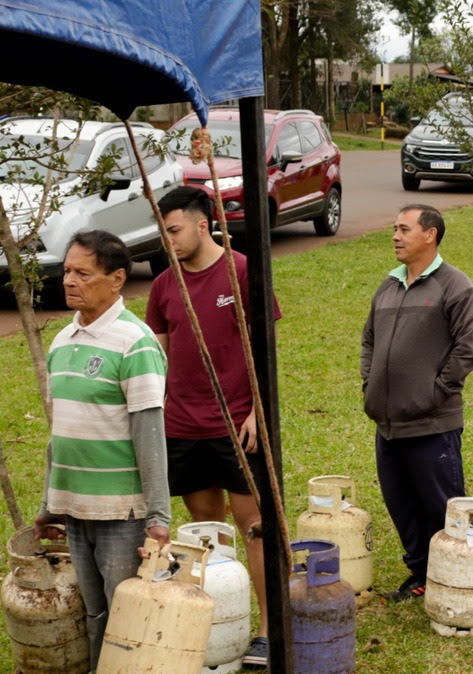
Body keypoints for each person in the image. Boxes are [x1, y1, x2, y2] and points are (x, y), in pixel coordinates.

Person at [145, 186, 279, 666]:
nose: (168, 241)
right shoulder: (164, 285)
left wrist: (257, 413)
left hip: (238, 427)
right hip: (183, 427)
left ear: (203, 225)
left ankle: (268, 630)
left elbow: (265, 349)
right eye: (163, 232)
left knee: (255, 528)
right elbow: (158, 358)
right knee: (209, 534)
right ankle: (221, 626)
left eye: (175, 230)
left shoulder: (242, 272)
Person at [35, 230, 169, 669]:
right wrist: (50, 503)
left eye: (82, 273)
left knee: (126, 618)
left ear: (116, 279)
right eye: (67, 271)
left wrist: (159, 518)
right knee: (95, 615)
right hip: (75, 510)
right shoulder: (61, 343)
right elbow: (62, 433)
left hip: (121, 513)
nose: (69, 281)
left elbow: (150, 435)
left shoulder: (136, 343)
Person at [361, 204, 473, 601]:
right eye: (395, 229)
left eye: (404, 229)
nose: (395, 236)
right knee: (402, 505)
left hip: (433, 424)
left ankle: (458, 578)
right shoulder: (388, 286)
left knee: (441, 507)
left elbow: (468, 348)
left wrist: (433, 393)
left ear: (430, 235)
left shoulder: (455, 286)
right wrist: (370, 385)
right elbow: (369, 341)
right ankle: (421, 574)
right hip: (388, 424)